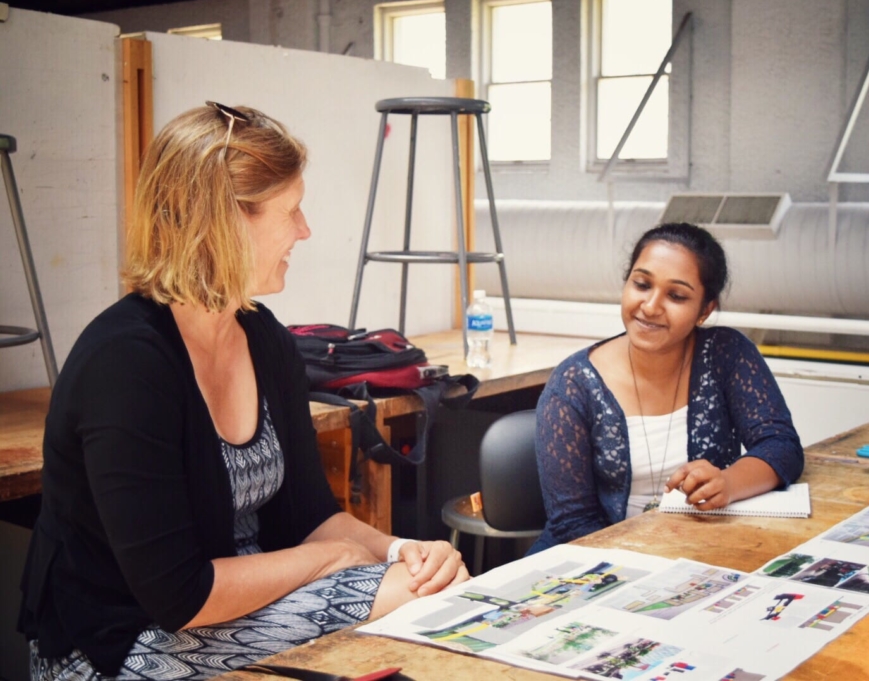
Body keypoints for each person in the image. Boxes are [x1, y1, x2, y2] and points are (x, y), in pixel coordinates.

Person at [18, 102, 468, 680]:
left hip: (248, 603)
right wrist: (330, 560)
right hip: (123, 640)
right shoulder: (124, 364)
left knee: (431, 585)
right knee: (411, 600)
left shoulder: (264, 338)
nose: (305, 230)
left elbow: (310, 515)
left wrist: (399, 549)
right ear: (224, 223)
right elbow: (180, 596)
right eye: (292, 210)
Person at [530, 222, 803, 552]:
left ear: (705, 310)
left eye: (676, 295)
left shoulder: (726, 354)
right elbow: (573, 524)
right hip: (597, 564)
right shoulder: (572, 386)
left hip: (699, 553)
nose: (651, 306)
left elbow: (781, 445)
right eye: (642, 284)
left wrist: (728, 483)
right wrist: (653, 557)